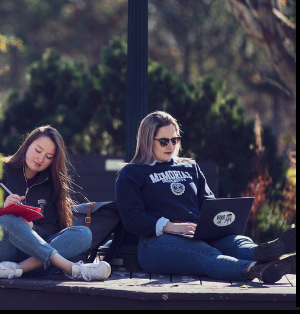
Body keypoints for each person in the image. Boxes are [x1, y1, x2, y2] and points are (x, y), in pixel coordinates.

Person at [116, 111, 296, 283]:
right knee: (205, 254)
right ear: (148, 141)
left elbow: (209, 205)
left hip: (199, 234)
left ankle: (267, 253)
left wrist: (218, 223)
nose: (171, 146)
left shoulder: (190, 168)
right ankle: (255, 269)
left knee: (237, 243)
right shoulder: (132, 173)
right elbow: (132, 218)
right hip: (156, 244)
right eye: (164, 141)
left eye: (175, 140)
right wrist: (172, 227)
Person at [0, 126, 112, 280]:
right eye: (38, 151)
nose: (40, 159)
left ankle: (16, 269)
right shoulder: (0, 170)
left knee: (83, 234)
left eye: (49, 156)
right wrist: (2, 208)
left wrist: (32, 227)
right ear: (27, 145)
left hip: (29, 257)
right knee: (7, 221)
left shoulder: (50, 184)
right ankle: (70, 268)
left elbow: (51, 228)